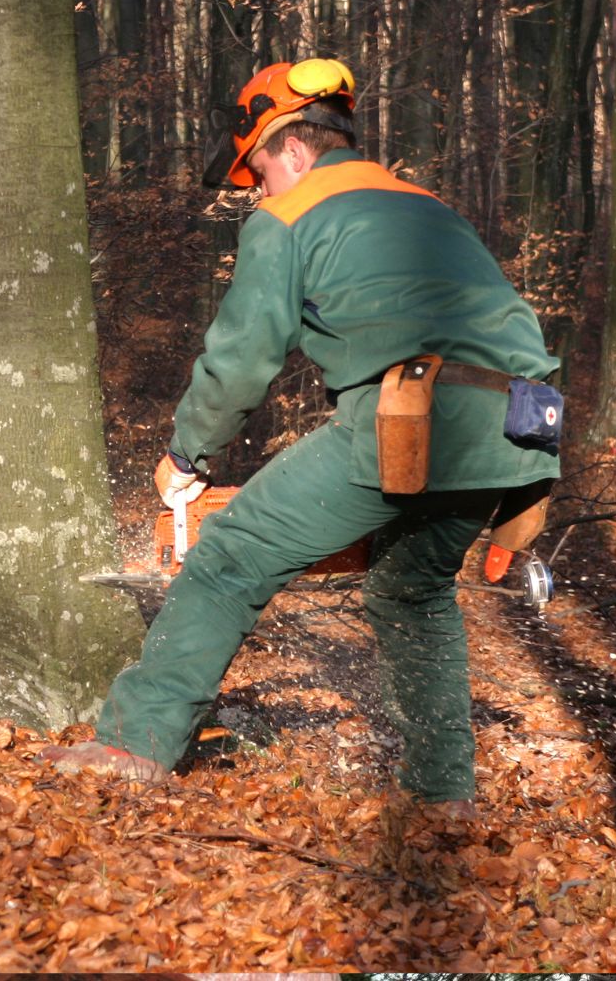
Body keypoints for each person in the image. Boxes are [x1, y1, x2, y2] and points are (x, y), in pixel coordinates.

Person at [41, 59, 561, 809]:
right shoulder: (428, 208)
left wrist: (189, 452)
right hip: (517, 429)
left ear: (289, 147)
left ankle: (133, 744)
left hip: (411, 416)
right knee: (411, 594)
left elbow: (243, 354)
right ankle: (443, 792)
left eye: (256, 169)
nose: (256, 187)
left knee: (228, 557)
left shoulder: (293, 213)